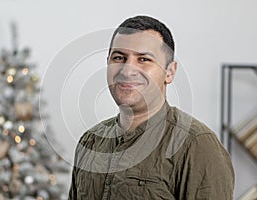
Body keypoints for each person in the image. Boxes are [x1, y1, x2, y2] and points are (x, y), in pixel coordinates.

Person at [69, 15, 235, 200]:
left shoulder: (197, 145)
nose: (127, 70)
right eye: (119, 57)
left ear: (169, 72)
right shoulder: (90, 142)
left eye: (144, 59)